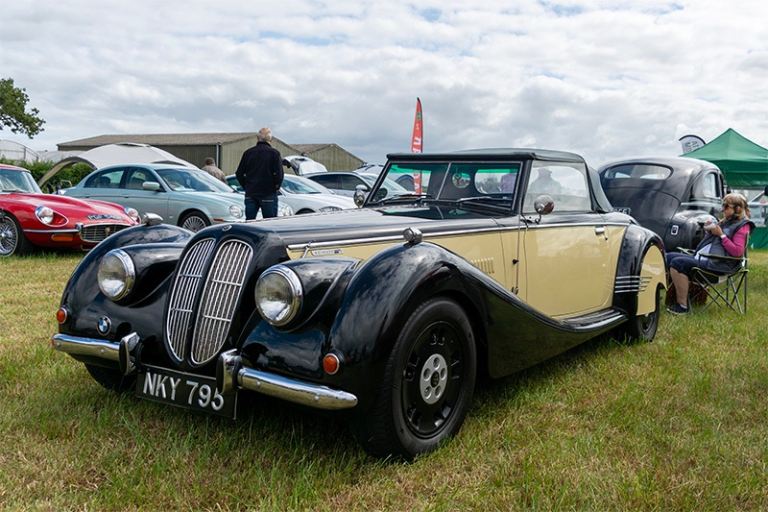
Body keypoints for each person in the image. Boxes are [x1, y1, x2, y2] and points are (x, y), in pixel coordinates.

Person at [665, 193, 755, 315]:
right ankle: (667, 296)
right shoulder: (726, 221)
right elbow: (714, 245)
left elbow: (737, 252)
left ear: (737, 209)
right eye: (723, 205)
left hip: (720, 266)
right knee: (668, 257)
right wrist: (709, 231)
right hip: (707, 259)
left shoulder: (743, 226)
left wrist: (721, 235)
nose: (722, 209)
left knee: (678, 263)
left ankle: (682, 306)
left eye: (726, 206)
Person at [235, 127, 284, 220]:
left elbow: (239, 173)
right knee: (270, 222)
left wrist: (246, 186)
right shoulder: (274, 153)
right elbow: (279, 174)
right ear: (270, 139)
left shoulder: (248, 153)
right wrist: (276, 186)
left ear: (257, 138)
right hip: (268, 192)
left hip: (251, 192)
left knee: (250, 221)